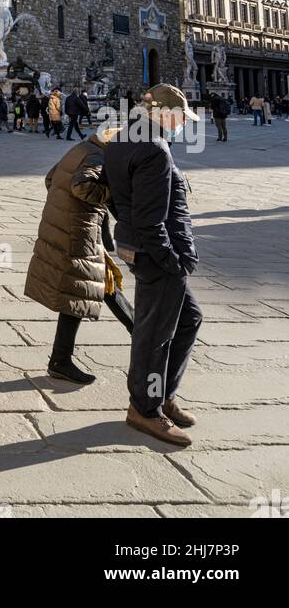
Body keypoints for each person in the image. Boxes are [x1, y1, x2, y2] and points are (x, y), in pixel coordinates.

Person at [103, 84, 202, 448]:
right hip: (158, 254)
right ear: (161, 114)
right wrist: (172, 261)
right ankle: (145, 409)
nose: (181, 124)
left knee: (188, 319)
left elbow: (116, 198)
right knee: (155, 335)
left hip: (136, 245)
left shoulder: (120, 138)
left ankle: (163, 394)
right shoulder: (154, 150)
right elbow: (152, 219)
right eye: (178, 117)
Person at [25, 128, 134, 384]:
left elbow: (51, 178)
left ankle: (137, 328)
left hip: (69, 225)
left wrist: (64, 207)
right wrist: (111, 194)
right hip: (77, 229)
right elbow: (82, 186)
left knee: (97, 283)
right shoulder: (98, 156)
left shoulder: (83, 148)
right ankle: (61, 360)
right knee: (83, 286)